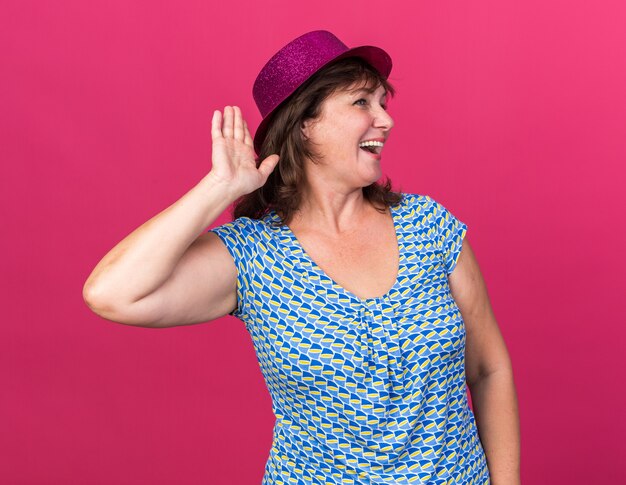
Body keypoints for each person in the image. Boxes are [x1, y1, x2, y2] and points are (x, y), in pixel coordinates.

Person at [83, 30, 520, 485]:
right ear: (305, 124)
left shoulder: (429, 226)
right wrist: (218, 190)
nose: (385, 121)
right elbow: (111, 293)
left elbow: (489, 369)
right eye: (361, 103)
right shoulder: (252, 256)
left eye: (382, 104)